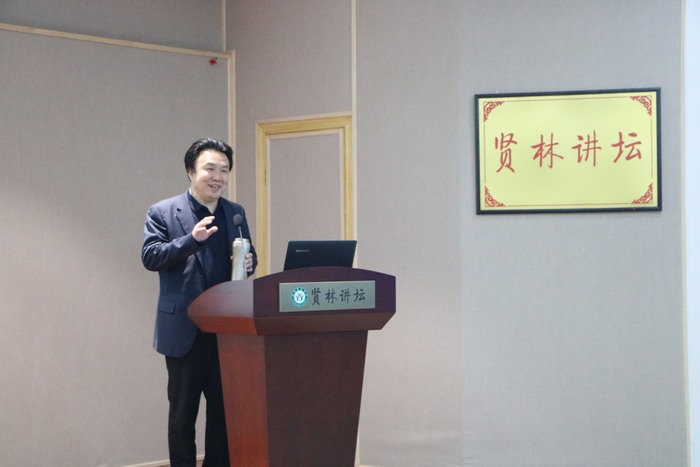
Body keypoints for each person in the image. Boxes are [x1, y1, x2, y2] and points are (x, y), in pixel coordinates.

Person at [141, 137, 257, 466]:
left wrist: (251, 262)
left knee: (224, 415)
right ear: (191, 171)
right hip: (184, 329)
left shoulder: (235, 213)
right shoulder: (163, 212)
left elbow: (247, 255)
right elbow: (151, 256)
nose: (217, 177)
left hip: (225, 331)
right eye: (210, 169)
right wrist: (190, 240)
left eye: (224, 170)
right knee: (182, 417)